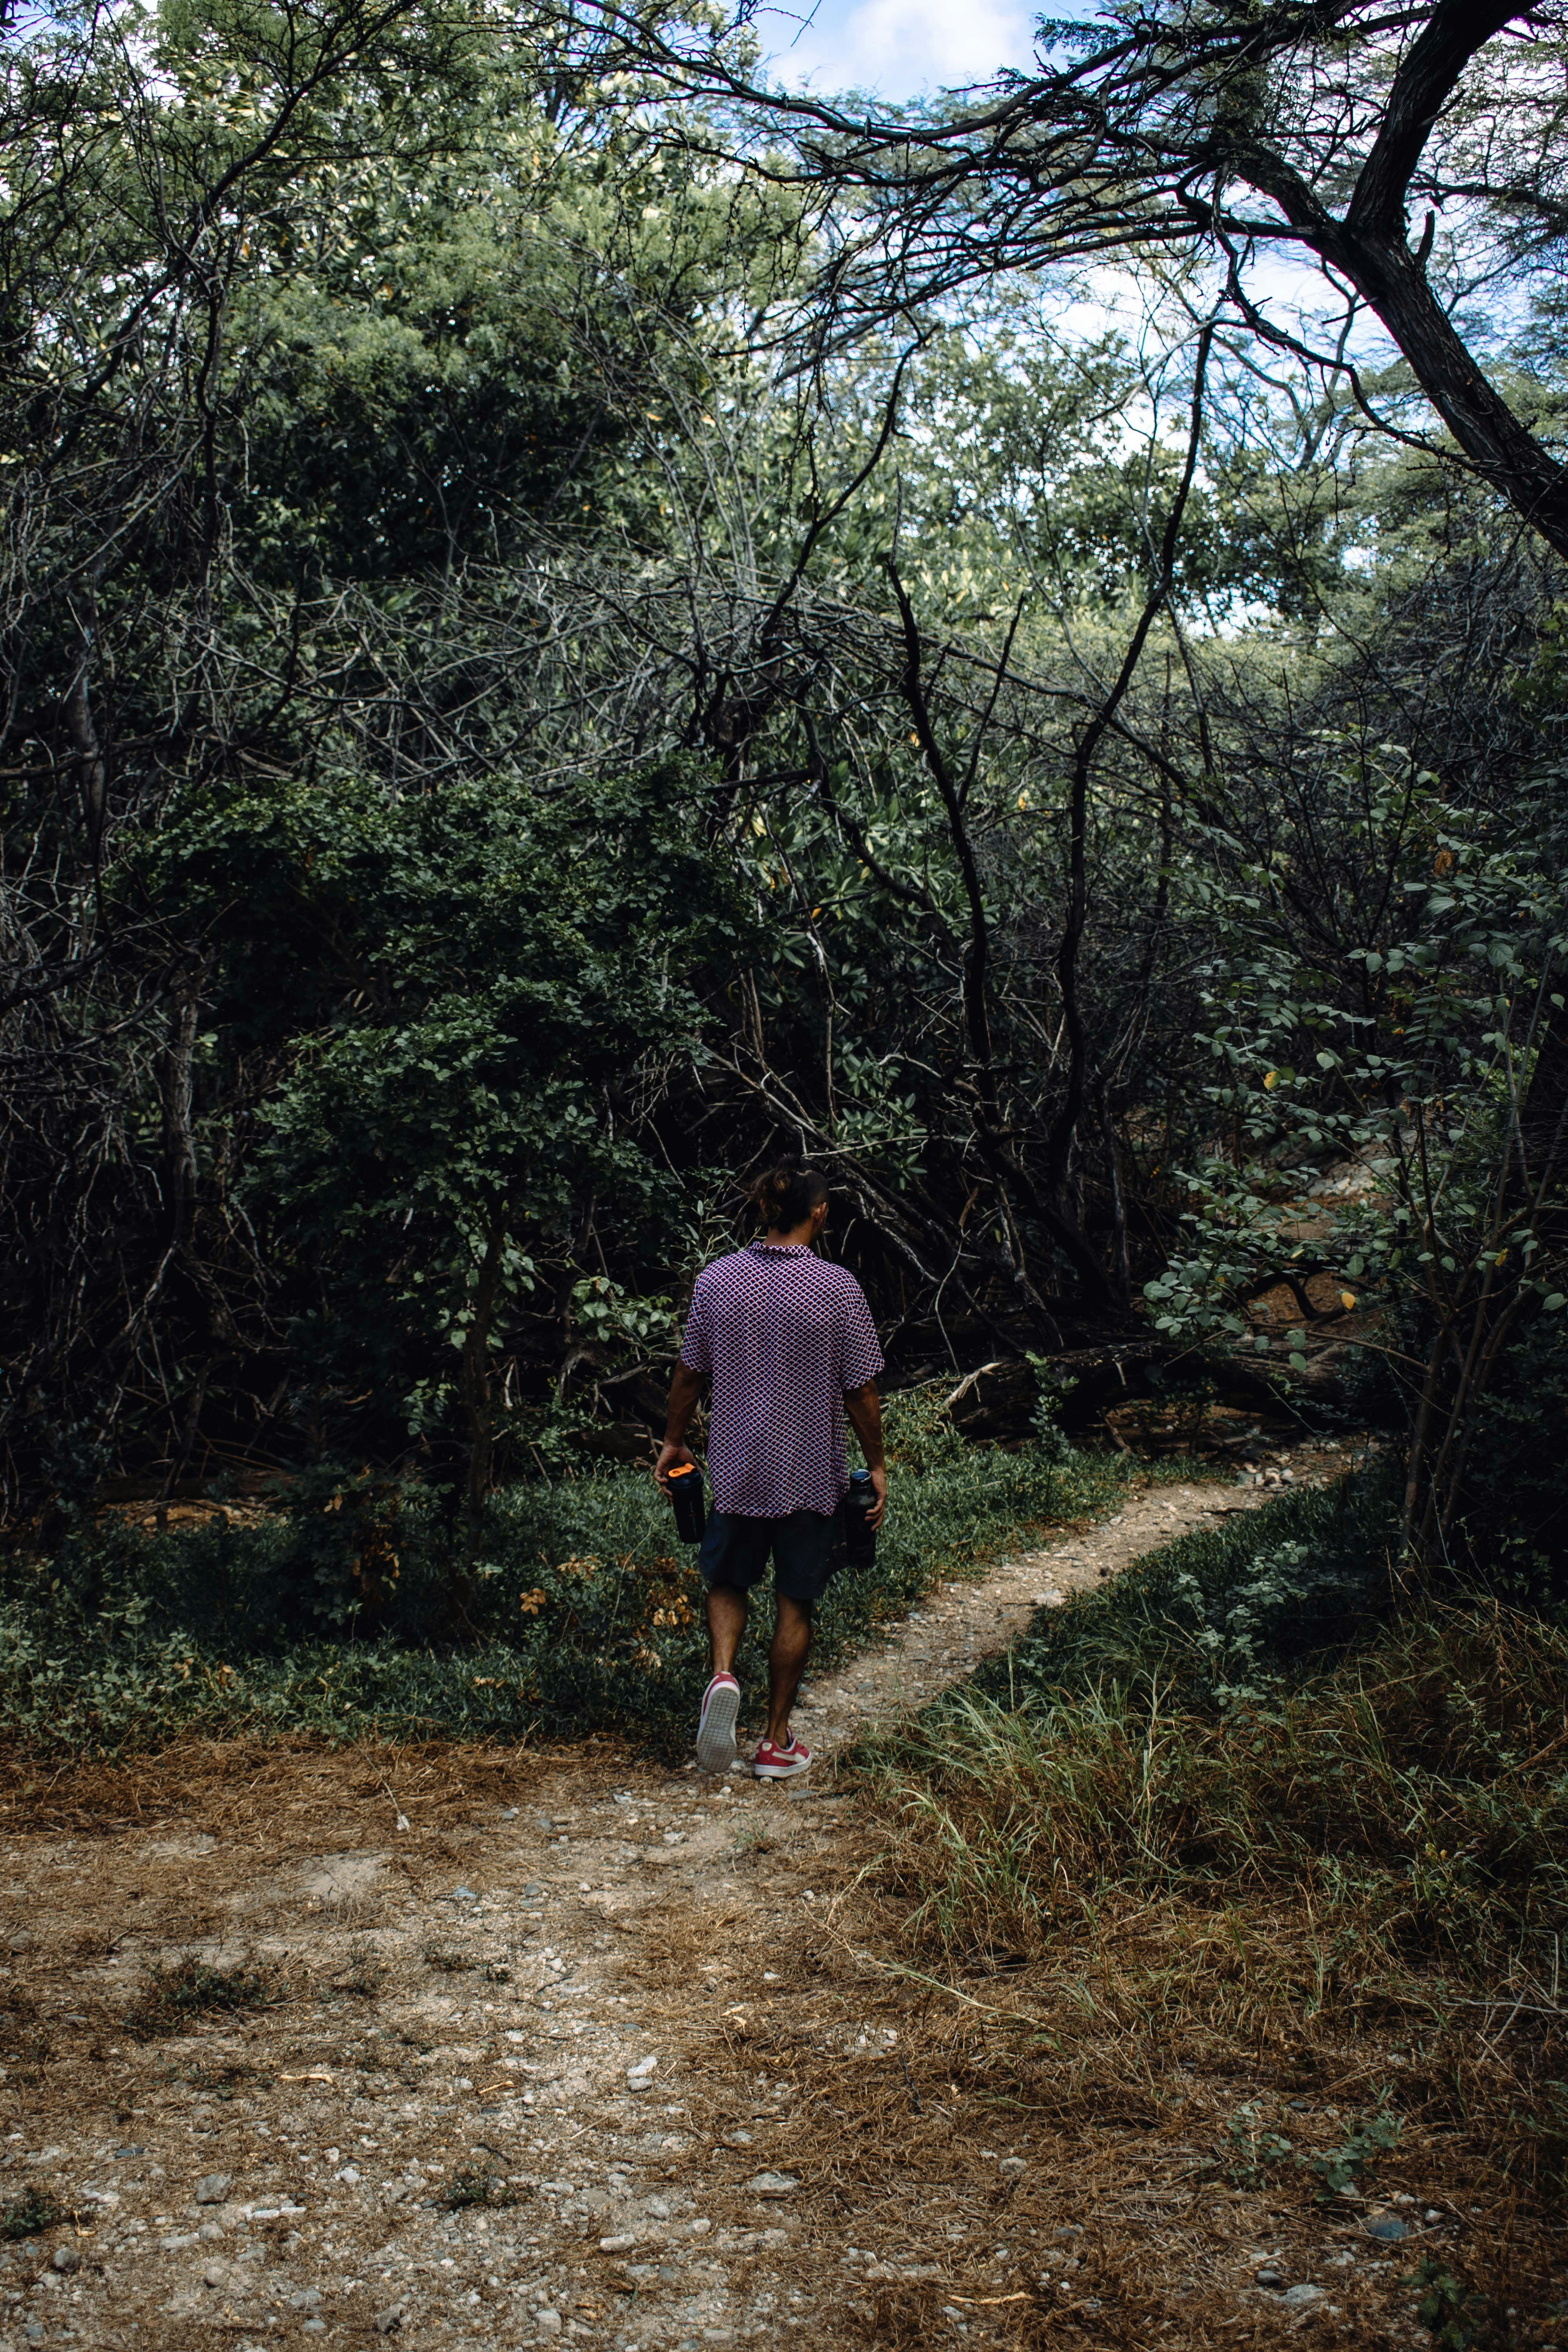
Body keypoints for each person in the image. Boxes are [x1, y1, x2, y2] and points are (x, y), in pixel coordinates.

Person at [655, 1163, 887, 1779]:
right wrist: (877, 1465)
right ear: (820, 1214)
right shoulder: (837, 1288)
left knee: (728, 1582)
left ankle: (724, 1676)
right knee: (795, 1602)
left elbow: (688, 1373)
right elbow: (861, 1391)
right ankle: (775, 1741)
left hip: (735, 1469)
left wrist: (674, 1442)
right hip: (809, 1476)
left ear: (762, 1210)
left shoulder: (718, 1281)